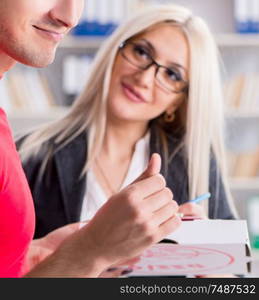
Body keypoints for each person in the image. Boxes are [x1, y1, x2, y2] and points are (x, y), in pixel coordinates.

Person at [17, 3, 238, 243]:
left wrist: (206, 254)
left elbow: (233, 276)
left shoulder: (196, 164)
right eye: (142, 52)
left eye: (172, 75)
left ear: (177, 102)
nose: (144, 78)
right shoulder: (30, 154)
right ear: (115, 53)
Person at [0, 0, 181, 278]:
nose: (70, 17)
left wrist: (31, 258)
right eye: (141, 52)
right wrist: (90, 251)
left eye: (172, 74)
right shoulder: (35, 151)